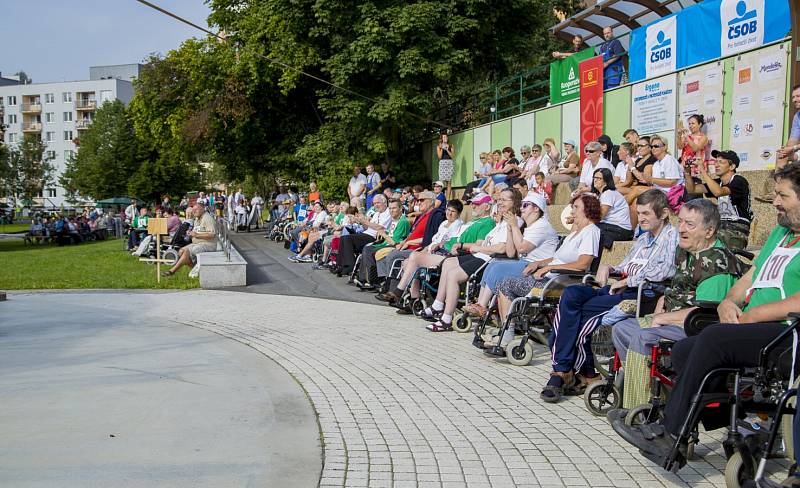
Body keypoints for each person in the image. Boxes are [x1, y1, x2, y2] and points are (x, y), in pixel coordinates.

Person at [609, 163, 800, 469]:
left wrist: (754, 315)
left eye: (783, 195)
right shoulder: (781, 232)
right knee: (685, 349)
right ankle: (702, 428)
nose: (775, 201)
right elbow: (750, 277)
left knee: (710, 337)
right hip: (751, 325)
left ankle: (670, 434)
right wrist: (728, 301)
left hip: (785, 332)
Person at [533, 190, 678, 403]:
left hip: (641, 294)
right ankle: (580, 373)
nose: (641, 218)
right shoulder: (644, 237)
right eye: (639, 213)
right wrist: (609, 267)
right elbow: (626, 266)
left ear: (664, 213)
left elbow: (665, 271)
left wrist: (628, 280)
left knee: (577, 319)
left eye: (646, 213)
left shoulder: (672, 237)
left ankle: (565, 373)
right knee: (571, 294)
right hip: (619, 287)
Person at [610, 199, 742, 408]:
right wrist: (665, 298)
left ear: (709, 231)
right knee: (621, 329)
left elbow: (707, 312)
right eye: (680, 222)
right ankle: (651, 389)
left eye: (690, 224)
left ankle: (641, 406)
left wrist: (665, 317)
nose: (681, 229)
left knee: (642, 338)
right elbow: (681, 286)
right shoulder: (686, 251)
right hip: (677, 317)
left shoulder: (716, 263)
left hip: (698, 327)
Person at [491, 194, 602, 388]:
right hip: (553, 275)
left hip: (563, 281)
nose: (572, 211)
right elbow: (557, 258)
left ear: (587, 210)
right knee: (506, 282)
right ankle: (507, 331)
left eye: (576, 207)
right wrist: (540, 263)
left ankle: (508, 333)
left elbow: (583, 264)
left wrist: (549, 268)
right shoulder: (576, 232)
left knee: (506, 283)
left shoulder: (591, 231)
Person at [421, 188, 523, 332]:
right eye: (499, 199)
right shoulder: (501, 221)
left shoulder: (514, 221)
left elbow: (502, 248)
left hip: (491, 259)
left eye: (504, 200)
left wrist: (478, 248)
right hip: (482, 254)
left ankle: (447, 318)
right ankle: (438, 305)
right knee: (448, 262)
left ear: (515, 202)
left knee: (453, 275)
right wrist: (474, 246)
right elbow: (488, 242)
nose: (499, 202)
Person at [379, 193, 495, 306]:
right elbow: (453, 238)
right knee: (408, 262)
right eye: (473, 203)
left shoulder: (487, 223)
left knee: (414, 257)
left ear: (487, 206)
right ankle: (413, 300)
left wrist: (460, 245)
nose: (473, 206)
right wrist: (442, 243)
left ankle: (401, 293)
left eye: (477, 204)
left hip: (453, 256)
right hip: (443, 249)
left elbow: (479, 245)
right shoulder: (473, 222)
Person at [464, 192, 559, 320]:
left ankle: (482, 305)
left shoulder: (541, 226)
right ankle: (481, 305)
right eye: (521, 205)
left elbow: (521, 248)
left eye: (525, 205)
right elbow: (510, 252)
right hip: (526, 263)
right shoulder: (530, 226)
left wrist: (514, 226)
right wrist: (510, 229)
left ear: (536, 208)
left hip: (537, 268)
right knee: (494, 263)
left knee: (497, 267)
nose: (521, 208)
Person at [684, 149, 752, 251]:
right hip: (721, 227)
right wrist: (687, 172)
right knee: (694, 237)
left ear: (732, 166)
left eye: (721, 162)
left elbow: (718, 192)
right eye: (716, 162)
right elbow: (692, 189)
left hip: (737, 230)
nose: (716, 165)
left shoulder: (739, 181)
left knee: (708, 243)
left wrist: (703, 170)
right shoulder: (718, 182)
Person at [354, 199, 410, 288]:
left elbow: (394, 242)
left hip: (394, 246)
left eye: (394, 208)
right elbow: (390, 234)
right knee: (368, 247)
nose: (391, 210)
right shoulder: (394, 220)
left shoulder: (403, 222)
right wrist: (384, 233)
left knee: (368, 250)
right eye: (390, 208)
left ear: (400, 208)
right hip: (385, 244)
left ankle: (372, 280)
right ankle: (364, 279)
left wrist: (383, 233)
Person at [336, 194, 391, 276]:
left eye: (378, 203)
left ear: (385, 202)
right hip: (366, 234)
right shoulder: (376, 214)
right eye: (374, 203)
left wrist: (364, 221)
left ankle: (350, 266)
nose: (376, 205)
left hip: (375, 237)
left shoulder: (388, 213)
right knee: (343, 237)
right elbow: (367, 227)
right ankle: (341, 265)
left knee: (347, 239)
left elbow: (380, 227)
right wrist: (359, 221)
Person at [163, 204, 218, 276]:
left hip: (208, 244)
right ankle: (197, 271)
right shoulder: (197, 219)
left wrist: (196, 235)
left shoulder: (208, 218)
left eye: (196, 209)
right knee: (181, 251)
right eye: (193, 210)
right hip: (198, 243)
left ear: (203, 209)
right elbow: (196, 232)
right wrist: (190, 234)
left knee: (186, 252)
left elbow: (212, 235)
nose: (194, 212)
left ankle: (172, 271)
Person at [592, 168, 633, 248]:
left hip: (621, 230)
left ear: (606, 181)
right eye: (594, 178)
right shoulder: (602, 194)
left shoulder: (608, 193)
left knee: (588, 228)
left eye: (599, 178)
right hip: (613, 227)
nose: (595, 180)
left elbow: (600, 216)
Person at [776, 84, 800, 169]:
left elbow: (793, 146)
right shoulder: (797, 116)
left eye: (798, 96)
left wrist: (793, 148)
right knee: (781, 156)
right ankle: (779, 182)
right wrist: (785, 150)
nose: (794, 100)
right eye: (793, 97)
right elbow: (792, 141)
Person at [436, 134, 455, 199]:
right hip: (442, 163)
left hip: (449, 163)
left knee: (449, 182)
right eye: (444, 137)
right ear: (441, 139)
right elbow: (439, 157)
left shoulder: (451, 145)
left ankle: (447, 199)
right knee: (441, 181)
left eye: (446, 137)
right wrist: (441, 148)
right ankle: (440, 197)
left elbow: (452, 156)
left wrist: (447, 149)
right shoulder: (439, 146)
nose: (445, 138)